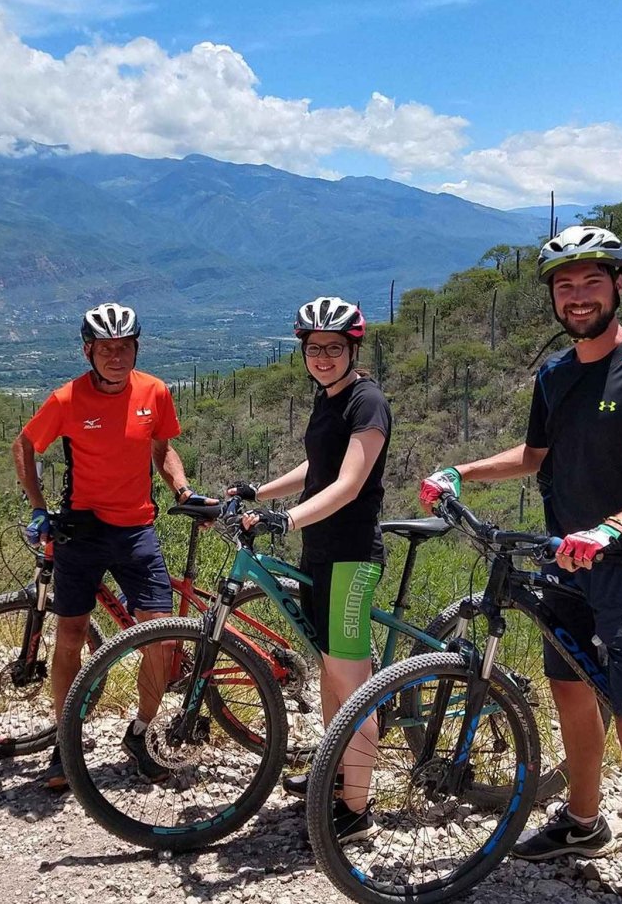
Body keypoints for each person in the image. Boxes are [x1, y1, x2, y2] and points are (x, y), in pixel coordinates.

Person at [418, 226, 622, 904]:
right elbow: (534, 454)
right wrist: (461, 470)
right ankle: (582, 821)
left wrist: (613, 527)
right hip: (564, 561)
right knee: (570, 692)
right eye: (565, 285)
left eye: (591, 282)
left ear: (618, 286)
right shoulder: (555, 375)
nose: (578, 297)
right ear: (553, 295)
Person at [12, 302, 206, 792]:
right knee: (72, 636)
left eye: (124, 348)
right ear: (89, 351)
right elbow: (24, 446)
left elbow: (162, 450)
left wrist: (182, 489)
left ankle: (140, 734)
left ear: (135, 349)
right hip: (82, 530)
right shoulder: (66, 399)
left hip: (137, 530)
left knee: (162, 639)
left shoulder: (154, 391)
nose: (115, 356)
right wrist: (38, 507)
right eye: (106, 349)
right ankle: (64, 742)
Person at [231, 295, 392, 843]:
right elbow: (318, 467)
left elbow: (348, 484)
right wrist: (261, 491)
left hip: (350, 556)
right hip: (319, 552)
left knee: (353, 683)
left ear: (353, 348)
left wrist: (286, 520)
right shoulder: (330, 397)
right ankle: (336, 774)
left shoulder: (367, 402)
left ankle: (357, 808)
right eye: (314, 348)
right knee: (329, 672)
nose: (323, 356)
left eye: (333, 347)